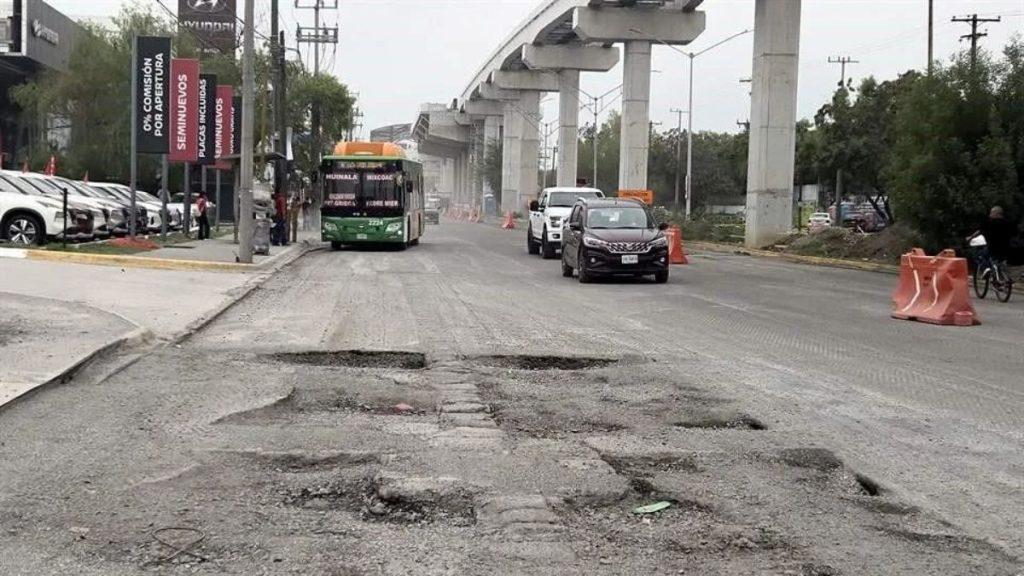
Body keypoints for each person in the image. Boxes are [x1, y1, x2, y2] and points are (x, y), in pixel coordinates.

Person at [969, 206, 1017, 274]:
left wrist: (970, 237)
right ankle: (1002, 275)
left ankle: (986, 268)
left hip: (993, 248)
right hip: (1008, 249)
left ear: (996, 213)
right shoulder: (1009, 223)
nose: (990, 215)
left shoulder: (990, 223)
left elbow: (980, 231)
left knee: (979, 254)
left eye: (991, 213)